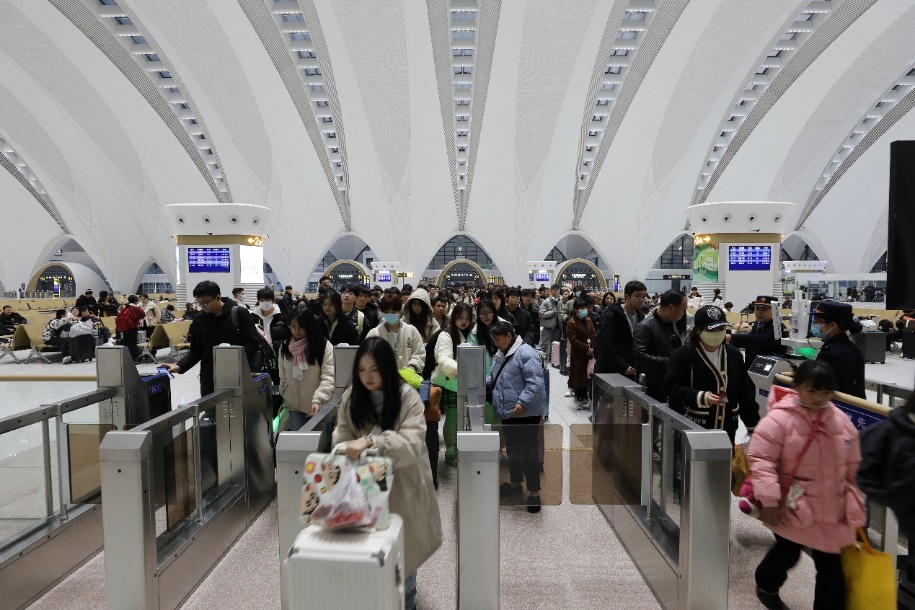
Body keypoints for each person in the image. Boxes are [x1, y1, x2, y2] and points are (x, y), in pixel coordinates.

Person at [333, 338, 442, 609]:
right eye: (361, 370)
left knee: (404, 559)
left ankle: (408, 601)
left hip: (404, 487)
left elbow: (413, 444)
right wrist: (348, 447)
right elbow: (342, 436)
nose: (367, 377)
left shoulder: (407, 397)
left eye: (375, 369)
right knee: (370, 555)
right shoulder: (352, 396)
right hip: (365, 489)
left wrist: (373, 442)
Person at [749, 361, 865, 610]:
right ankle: (767, 583)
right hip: (794, 503)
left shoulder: (841, 421)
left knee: (832, 569)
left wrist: (856, 501)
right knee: (787, 551)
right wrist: (769, 500)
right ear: (798, 387)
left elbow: (854, 465)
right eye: (812, 390)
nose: (819, 398)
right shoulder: (780, 419)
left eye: (825, 392)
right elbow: (762, 460)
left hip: (832, 508)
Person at [666, 305, 758, 443]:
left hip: (727, 428)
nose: (717, 333)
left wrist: (753, 427)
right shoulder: (684, 355)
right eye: (712, 329)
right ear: (698, 330)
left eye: (721, 329)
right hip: (695, 427)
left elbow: (745, 393)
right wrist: (700, 396)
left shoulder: (734, 355)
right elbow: (672, 388)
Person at [487, 321, 546, 513]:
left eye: (498, 339)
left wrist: (522, 402)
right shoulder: (501, 354)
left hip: (524, 412)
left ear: (509, 336)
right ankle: (515, 483)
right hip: (509, 411)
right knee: (513, 451)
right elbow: (493, 377)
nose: (495, 343)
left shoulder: (526, 352)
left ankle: (534, 494)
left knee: (529, 453)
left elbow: (535, 383)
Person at [163, 281, 262, 396]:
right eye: (199, 303)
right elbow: (196, 351)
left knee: (238, 410)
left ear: (218, 297)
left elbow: (253, 343)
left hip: (238, 374)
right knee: (211, 411)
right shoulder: (199, 320)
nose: (202, 306)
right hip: (210, 378)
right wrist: (179, 365)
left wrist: (232, 361)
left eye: (205, 302)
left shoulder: (239, 313)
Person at [429, 303, 473, 467]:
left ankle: (456, 448)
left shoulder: (468, 334)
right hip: (448, 382)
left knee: (461, 418)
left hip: (462, 382)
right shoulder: (446, 335)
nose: (463, 321)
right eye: (460, 318)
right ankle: (450, 451)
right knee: (453, 417)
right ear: (453, 317)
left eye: (467, 318)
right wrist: (460, 370)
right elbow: (444, 360)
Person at [278, 308, 334, 431]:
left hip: (317, 405)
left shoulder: (323, 346)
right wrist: (285, 394)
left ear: (310, 326)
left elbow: (329, 377)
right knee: (298, 445)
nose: (296, 331)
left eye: (301, 327)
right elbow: (282, 375)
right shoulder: (285, 346)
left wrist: (318, 399)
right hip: (294, 406)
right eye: (292, 326)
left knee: (316, 445)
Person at [633, 290, 688, 401]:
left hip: (671, 384)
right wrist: (670, 361)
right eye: (683, 310)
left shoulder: (675, 324)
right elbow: (640, 356)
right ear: (671, 308)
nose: (683, 314)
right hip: (652, 388)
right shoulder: (645, 326)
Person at [810, 301, 865, 399]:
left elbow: (821, 387)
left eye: (818, 321)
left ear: (832, 326)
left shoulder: (831, 354)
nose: (815, 325)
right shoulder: (853, 348)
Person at [595, 280, 646, 377]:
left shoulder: (640, 316)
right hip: (611, 369)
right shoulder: (612, 314)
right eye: (637, 296)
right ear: (627, 297)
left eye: (643, 296)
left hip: (630, 367)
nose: (641, 299)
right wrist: (622, 365)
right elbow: (606, 343)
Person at [365, 293, 425, 374]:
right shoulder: (374, 333)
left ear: (400, 310)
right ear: (381, 312)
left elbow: (419, 353)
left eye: (393, 312)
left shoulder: (411, 330)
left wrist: (411, 368)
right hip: (382, 380)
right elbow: (368, 357)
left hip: (407, 379)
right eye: (386, 312)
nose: (390, 315)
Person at [727, 295, 787, 367]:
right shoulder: (758, 324)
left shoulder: (778, 328)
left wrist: (731, 338)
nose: (759, 312)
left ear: (774, 311)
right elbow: (750, 340)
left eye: (764, 309)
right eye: (757, 308)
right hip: (752, 367)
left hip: (767, 368)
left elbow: (758, 340)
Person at [567, 298, 597, 409]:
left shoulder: (588, 320)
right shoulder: (571, 322)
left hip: (590, 352)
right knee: (579, 376)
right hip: (579, 353)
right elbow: (573, 340)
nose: (584, 310)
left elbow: (594, 334)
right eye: (581, 308)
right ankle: (579, 397)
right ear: (575, 310)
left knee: (588, 375)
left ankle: (586, 396)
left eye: (584, 308)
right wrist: (586, 348)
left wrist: (593, 346)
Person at [114, 295, 147, 362]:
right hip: (132, 327)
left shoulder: (125, 308)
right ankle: (133, 359)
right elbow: (142, 314)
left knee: (126, 342)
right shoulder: (135, 308)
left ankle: (126, 358)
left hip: (125, 328)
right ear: (135, 301)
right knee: (132, 343)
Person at [537, 284, 562, 354]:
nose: (556, 292)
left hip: (557, 326)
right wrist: (552, 312)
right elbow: (541, 314)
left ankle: (554, 361)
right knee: (543, 344)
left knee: (555, 345)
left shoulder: (560, 301)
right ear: (551, 291)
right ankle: (539, 359)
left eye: (557, 290)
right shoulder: (546, 301)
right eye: (554, 290)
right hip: (548, 327)